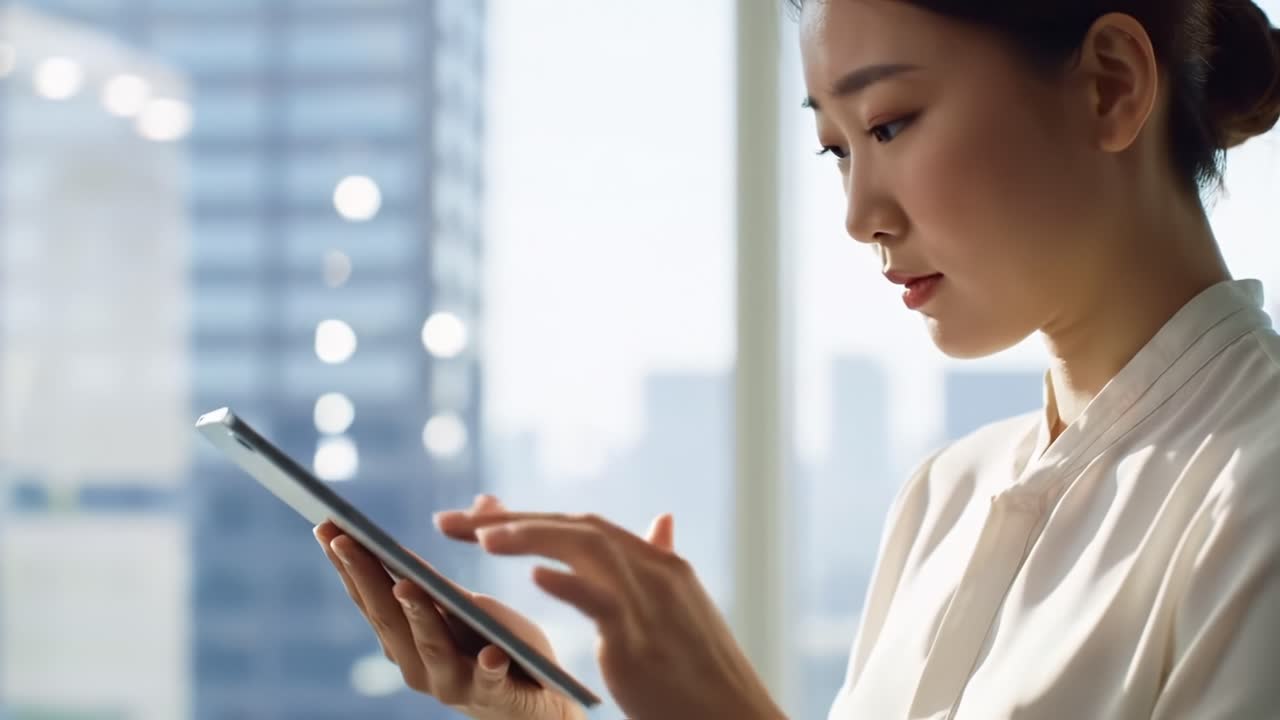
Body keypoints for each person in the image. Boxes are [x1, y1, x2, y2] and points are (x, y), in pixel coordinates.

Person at [315, 0, 1280, 717]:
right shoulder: (943, 498)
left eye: (890, 125)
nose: (860, 217)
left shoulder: (1259, 484)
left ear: (1110, 84)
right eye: (836, 150)